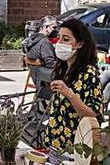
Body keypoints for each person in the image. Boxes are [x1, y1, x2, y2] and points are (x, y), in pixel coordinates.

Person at [40, 19, 103, 152]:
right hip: (54, 144)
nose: (60, 43)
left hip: (73, 148)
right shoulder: (64, 69)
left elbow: (93, 116)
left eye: (66, 39)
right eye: (59, 38)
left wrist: (69, 94)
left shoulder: (88, 73)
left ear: (79, 44)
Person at [22, 15, 57, 85]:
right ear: (45, 27)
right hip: (45, 81)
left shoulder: (31, 39)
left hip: (36, 77)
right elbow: (51, 63)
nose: (56, 30)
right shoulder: (44, 42)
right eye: (54, 27)